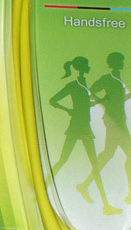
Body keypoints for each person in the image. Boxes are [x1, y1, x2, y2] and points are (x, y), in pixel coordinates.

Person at [49, 56, 120, 215]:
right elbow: (53, 100)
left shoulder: (84, 84)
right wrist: (68, 110)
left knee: (94, 165)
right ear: (81, 67)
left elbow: (85, 104)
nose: (89, 66)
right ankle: (40, 189)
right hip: (76, 126)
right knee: (63, 160)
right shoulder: (73, 85)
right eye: (87, 64)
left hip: (85, 127)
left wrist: (101, 100)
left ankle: (106, 206)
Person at [78, 51, 131, 205]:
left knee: (108, 154)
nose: (123, 63)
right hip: (114, 122)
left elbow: (119, 100)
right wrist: (102, 101)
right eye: (120, 61)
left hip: (119, 121)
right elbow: (90, 91)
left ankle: (85, 185)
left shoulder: (118, 79)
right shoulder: (107, 79)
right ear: (114, 63)